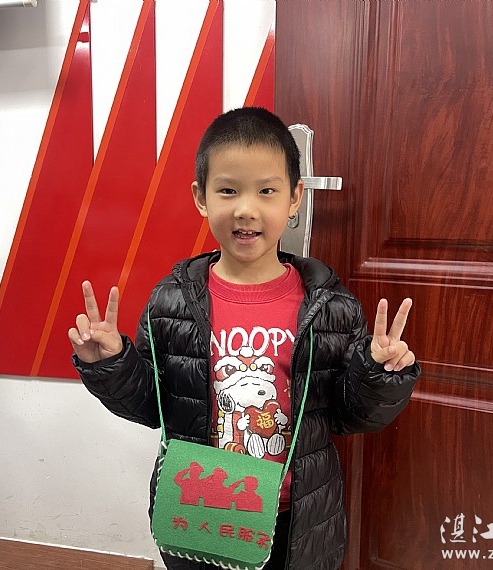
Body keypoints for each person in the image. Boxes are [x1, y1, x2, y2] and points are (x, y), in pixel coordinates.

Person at [69, 107, 420, 569]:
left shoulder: (331, 307)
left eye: (267, 191)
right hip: (202, 509)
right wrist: (109, 364)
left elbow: (348, 415)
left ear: (294, 198)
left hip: (296, 520)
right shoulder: (171, 301)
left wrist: (379, 374)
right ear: (201, 197)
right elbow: (153, 407)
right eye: (228, 190)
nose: (246, 209)